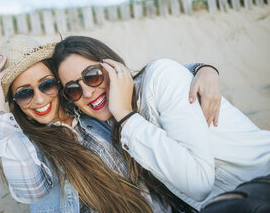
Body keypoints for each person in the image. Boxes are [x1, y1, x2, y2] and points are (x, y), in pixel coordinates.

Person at [0, 35, 221, 213]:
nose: (40, 98)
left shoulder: (87, 106)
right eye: (25, 93)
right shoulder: (27, 147)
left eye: (46, 85)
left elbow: (136, 82)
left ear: (59, 83)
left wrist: (202, 69)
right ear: (14, 102)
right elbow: (30, 188)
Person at [52, 35, 270, 211]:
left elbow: (199, 184)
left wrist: (126, 116)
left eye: (92, 75)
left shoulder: (159, 80)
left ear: (114, 66)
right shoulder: (109, 124)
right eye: (73, 89)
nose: (88, 92)